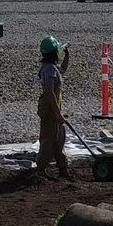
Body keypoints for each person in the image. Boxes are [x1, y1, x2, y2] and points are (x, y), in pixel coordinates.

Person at [35, 35, 70, 180]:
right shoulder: (49, 70)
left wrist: (67, 55)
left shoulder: (52, 68)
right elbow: (49, 92)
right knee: (48, 140)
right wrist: (57, 113)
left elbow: (62, 69)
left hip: (55, 111)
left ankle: (63, 168)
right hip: (50, 111)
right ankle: (41, 170)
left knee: (59, 138)